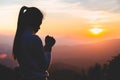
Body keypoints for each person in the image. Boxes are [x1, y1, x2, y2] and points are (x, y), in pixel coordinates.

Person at [13, 6, 56, 80]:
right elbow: (43, 66)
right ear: (33, 22)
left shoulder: (19, 39)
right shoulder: (34, 39)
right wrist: (49, 48)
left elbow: (33, 59)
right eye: (39, 23)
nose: (39, 27)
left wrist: (45, 47)